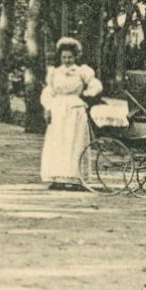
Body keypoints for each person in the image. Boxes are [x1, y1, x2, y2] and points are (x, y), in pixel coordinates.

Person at [39, 37, 102, 189]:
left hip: (75, 109)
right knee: (58, 142)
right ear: (60, 57)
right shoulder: (54, 73)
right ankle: (57, 177)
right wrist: (48, 107)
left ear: (75, 57)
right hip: (58, 109)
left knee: (75, 141)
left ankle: (76, 178)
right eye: (64, 57)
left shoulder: (82, 72)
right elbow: (48, 92)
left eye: (70, 57)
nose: (66, 60)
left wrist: (85, 95)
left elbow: (96, 86)